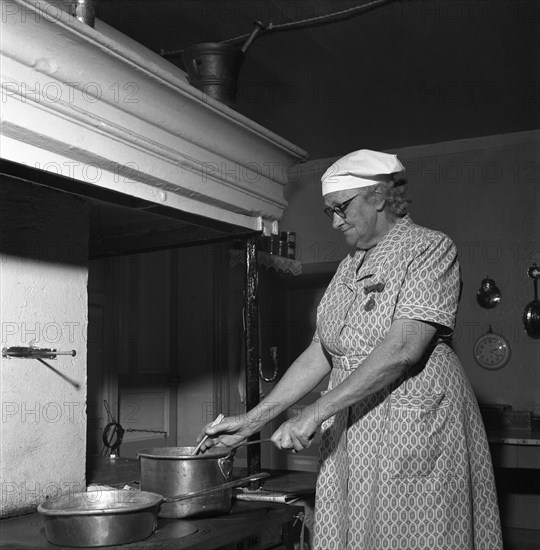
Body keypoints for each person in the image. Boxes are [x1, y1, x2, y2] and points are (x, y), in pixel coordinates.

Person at [198, 149, 503, 550]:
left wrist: (317, 411)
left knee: (410, 532)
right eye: (330, 212)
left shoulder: (429, 248)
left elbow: (403, 350)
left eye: (342, 207)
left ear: (377, 197)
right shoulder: (348, 266)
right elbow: (321, 352)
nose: (337, 221)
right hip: (353, 424)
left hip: (410, 419)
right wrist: (252, 421)